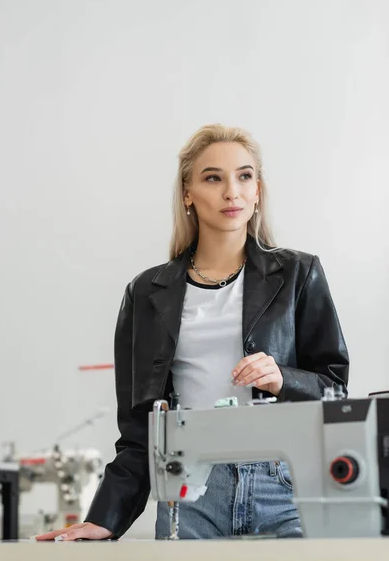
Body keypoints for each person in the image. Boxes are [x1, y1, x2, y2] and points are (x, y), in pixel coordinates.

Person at [36, 124, 349, 541]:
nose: (231, 192)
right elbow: (138, 430)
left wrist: (282, 379)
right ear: (187, 193)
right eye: (212, 178)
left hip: (284, 488)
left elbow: (336, 392)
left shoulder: (298, 274)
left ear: (258, 190)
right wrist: (105, 518)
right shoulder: (147, 293)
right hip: (190, 493)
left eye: (244, 176)